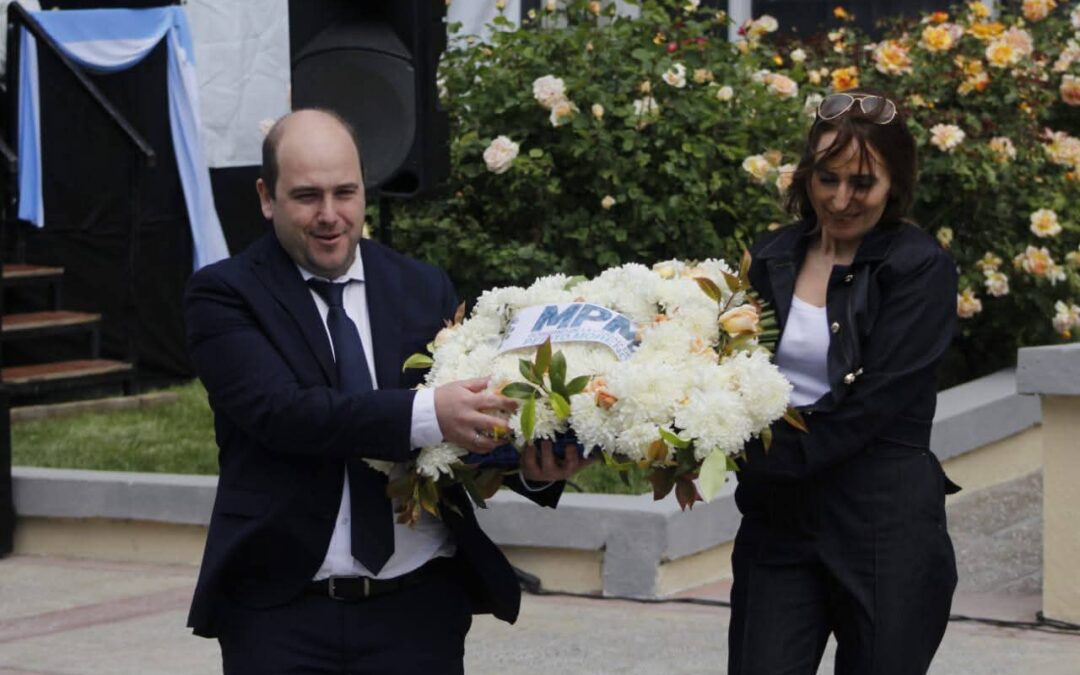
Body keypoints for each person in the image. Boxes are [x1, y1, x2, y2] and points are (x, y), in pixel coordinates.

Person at [184, 108, 587, 674]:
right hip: (280, 616)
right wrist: (431, 413)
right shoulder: (224, 295)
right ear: (265, 196)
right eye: (306, 197)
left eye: (345, 193)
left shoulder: (422, 286)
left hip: (419, 611)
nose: (330, 216)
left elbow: (453, 439)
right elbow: (284, 413)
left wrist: (527, 467)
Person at [728, 91, 961, 674]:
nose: (840, 198)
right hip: (780, 522)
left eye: (862, 183)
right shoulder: (771, 257)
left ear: (894, 184)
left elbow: (871, 407)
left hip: (883, 524)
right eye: (826, 178)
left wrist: (758, 460)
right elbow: (728, 373)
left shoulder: (918, 267)